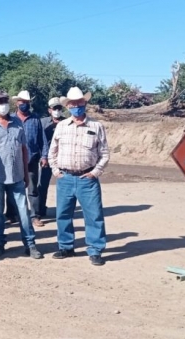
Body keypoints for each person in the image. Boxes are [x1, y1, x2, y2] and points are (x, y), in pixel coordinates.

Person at [48, 87, 110, 266]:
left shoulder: (96, 126)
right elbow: (53, 151)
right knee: (63, 214)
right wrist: (56, 171)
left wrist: (95, 172)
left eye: (79, 103)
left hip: (87, 179)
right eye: (73, 104)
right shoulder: (61, 126)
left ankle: (95, 250)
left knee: (94, 215)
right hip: (65, 177)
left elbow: (104, 153)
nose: (76, 106)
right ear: (68, 106)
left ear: (85, 103)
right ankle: (66, 247)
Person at [0, 90, 43, 259]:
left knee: (23, 212)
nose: (3, 104)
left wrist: (26, 175)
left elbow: (23, 149)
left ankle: (30, 244)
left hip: (17, 177)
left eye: (5, 100)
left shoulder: (17, 124)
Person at [12, 90, 49, 228]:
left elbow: (42, 140)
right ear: (17, 103)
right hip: (15, 161)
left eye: (27, 103)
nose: (24, 105)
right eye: (22, 102)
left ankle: (35, 216)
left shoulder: (35, 119)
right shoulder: (11, 119)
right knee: (15, 189)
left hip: (32, 160)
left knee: (33, 189)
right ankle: (15, 215)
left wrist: (44, 155)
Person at [36, 97, 66, 221]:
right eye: (55, 108)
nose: (57, 111)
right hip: (47, 160)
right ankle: (39, 210)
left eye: (59, 108)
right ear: (49, 110)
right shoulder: (42, 123)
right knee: (41, 185)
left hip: (63, 160)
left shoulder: (67, 122)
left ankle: (64, 212)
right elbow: (39, 141)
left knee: (64, 187)